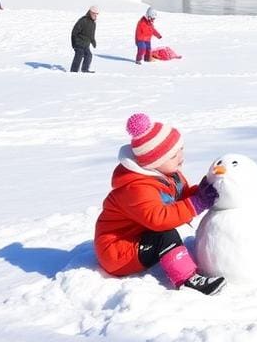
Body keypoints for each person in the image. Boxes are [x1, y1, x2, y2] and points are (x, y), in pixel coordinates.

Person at [94, 113, 225, 295]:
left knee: (162, 234)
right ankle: (188, 279)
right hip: (117, 251)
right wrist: (196, 203)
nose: (181, 156)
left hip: (139, 236)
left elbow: (180, 197)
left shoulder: (169, 175)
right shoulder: (136, 188)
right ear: (153, 163)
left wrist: (201, 192)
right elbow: (158, 219)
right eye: (173, 155)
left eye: (181, 148)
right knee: (165, 235)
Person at [70, 6, 99, 73]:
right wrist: (74, 42)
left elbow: (91, 34)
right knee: (79, 55)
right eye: (94, 13)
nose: (95, 15)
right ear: (90, 12)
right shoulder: (83, 20)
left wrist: (93, 41)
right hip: (78, 43)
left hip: (86, 44)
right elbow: (74, 31)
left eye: (97, 14)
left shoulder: (93, 23)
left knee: (88, 55)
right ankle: (73, 71)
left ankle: (85, 70)